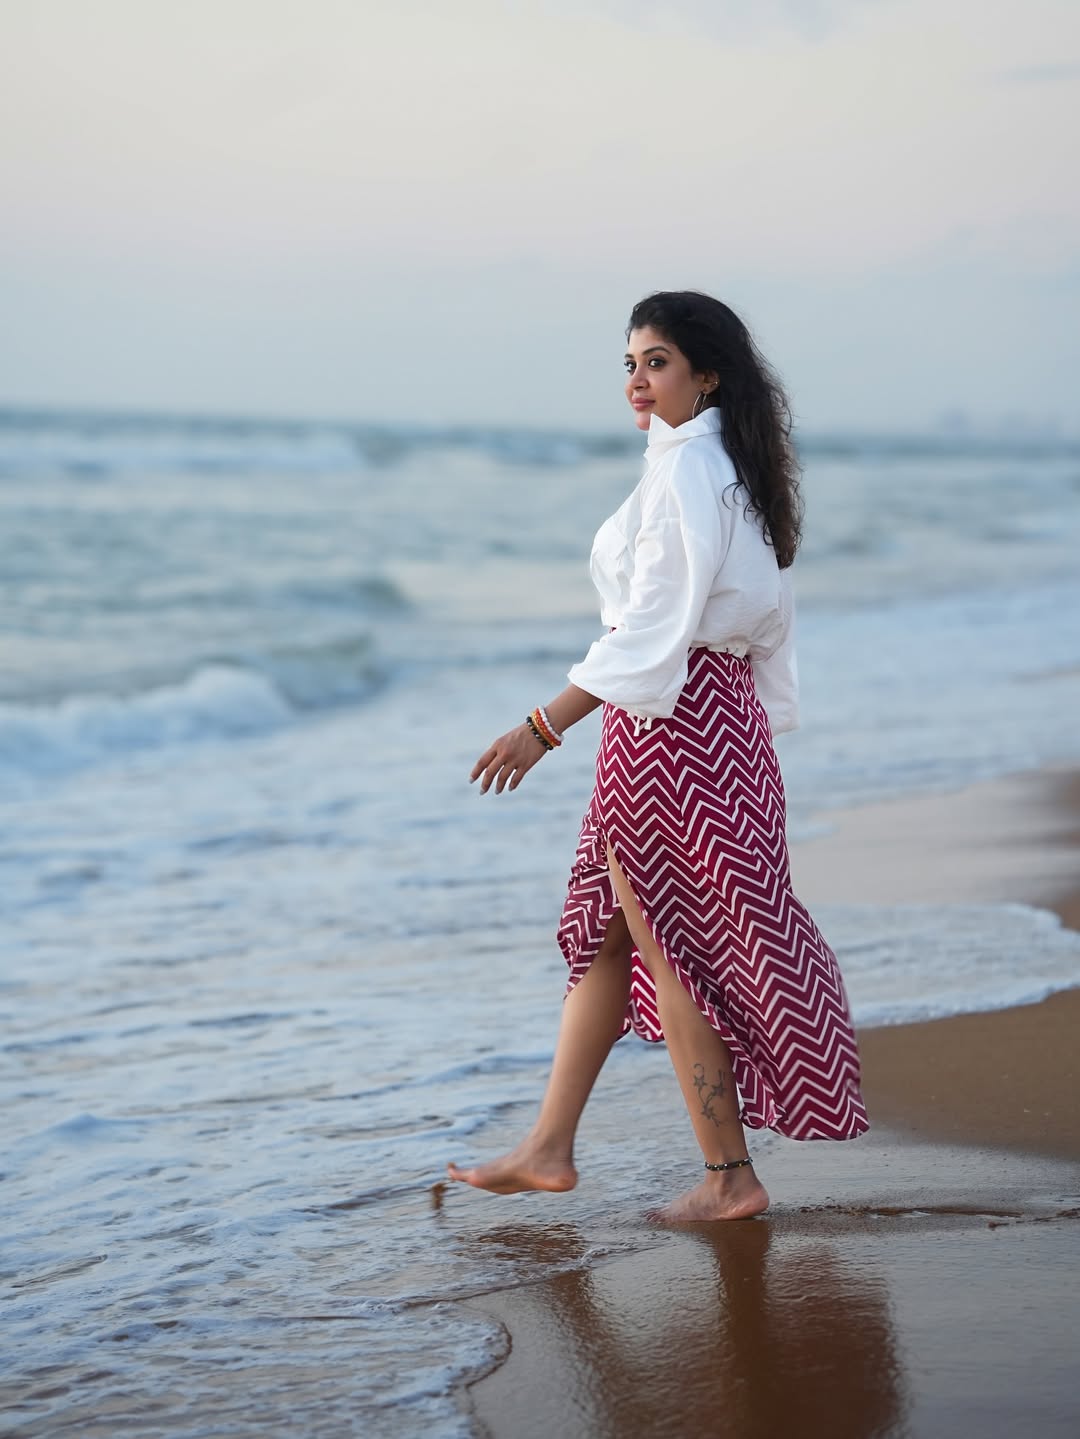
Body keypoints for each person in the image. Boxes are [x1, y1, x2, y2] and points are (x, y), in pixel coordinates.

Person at [448, 290, 868, 1221]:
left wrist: (542, 725)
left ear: (706, 374)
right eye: (630, 364)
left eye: (658, 361)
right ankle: (548, 1148)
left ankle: (729, 1179)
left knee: (668, 945)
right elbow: (754, 630)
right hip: (716, 723)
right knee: (609, 934)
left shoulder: (690, 474)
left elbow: (649, 634)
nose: (638, 381)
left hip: (667, 730)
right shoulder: (726, 470)